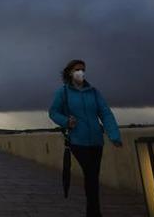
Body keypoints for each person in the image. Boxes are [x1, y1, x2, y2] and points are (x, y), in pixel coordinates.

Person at [48, 59, 122, 217]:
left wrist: (114, 135)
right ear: (70, 73)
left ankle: (92, 211)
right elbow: (53, 112)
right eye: (77, 69)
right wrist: (66, 121)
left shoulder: (94, 92)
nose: (80, 72)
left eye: (83, 69)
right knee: (91, 175)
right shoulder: (64, 92)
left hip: (96, 141)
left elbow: (105, 113)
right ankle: (95, 212)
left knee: (93, 177)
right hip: (77, 142)